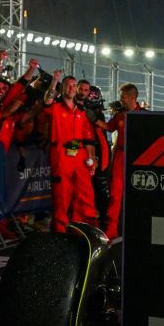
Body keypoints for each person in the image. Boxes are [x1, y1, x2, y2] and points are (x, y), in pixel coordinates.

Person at [44, 70, 98, 232]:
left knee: (85, 193)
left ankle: (83, 228)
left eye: (74, 86)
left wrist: (92, 159)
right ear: (62, 89)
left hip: (79, 155)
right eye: (68, 86)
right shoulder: (55, 108)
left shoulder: (81, 112)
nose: (72, 88)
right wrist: (55, 80)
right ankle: (60, 231)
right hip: (60, 154)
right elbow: (47, 100)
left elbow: (88, 137)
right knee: (61, 196)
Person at [99, 82, 138, 238]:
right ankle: (112, 229)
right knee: (115, 194)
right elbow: (109, 127)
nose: (121, 100)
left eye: (123, 97)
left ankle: (135, 225)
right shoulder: (120, 115)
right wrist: (95, 119)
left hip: (136, 157)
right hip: (121, 156)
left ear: (132, 97)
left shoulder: (143, 114)